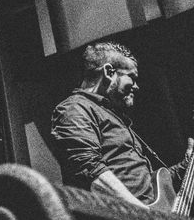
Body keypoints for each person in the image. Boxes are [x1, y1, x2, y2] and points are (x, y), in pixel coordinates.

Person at [50, 41, 192, 206]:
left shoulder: (114, 116)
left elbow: (152, 187)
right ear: (109, 72)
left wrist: (186, 165)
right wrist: (142, 213)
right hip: (124, 218)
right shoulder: (75, 108)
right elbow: (89, 170)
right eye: (132, 77)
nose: (136, 87)